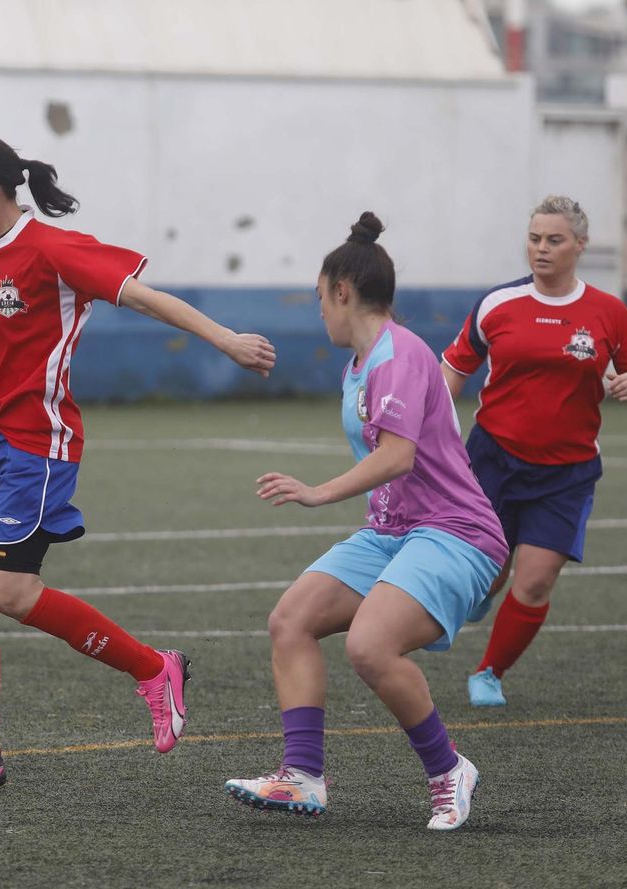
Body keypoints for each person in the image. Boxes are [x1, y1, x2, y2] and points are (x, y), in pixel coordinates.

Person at [0, 135, 277, 787]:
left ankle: (152, 668)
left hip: (39, 444)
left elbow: (144, 296)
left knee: (10, 591)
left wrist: (226, 339)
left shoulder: (53, 250)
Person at [224, 213, 508, 830]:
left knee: (370, 645)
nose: (318, 311)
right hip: (393, 532)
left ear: (342, 292)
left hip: (456, 532)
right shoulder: (359, 364)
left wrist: (317, 493)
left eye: (320, 298)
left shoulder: (398, 353)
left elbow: (398, 456)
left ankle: (448, 771)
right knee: (290, 621)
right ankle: (302, 777)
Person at [442, 195, 627, 708]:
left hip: (567, 470)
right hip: (492, 459)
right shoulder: (498, 304)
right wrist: (429, 423)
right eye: (535, 238)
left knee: (536, 580)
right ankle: (481, 594)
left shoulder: (607, 311)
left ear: (579, 245)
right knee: (486, 572)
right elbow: (452, 369)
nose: (541, 249)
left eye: (554, 240)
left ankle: (489, 673)